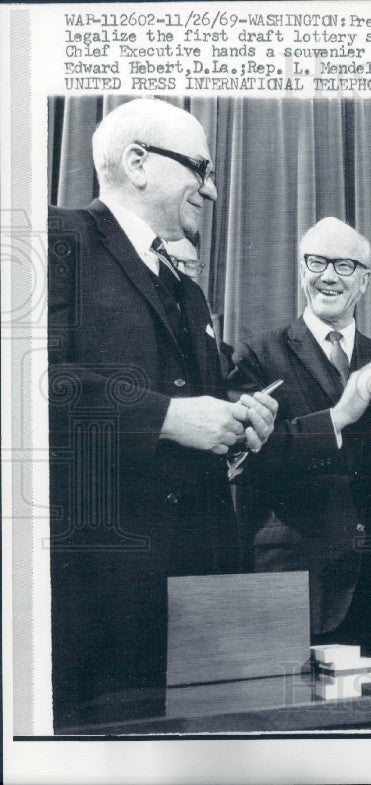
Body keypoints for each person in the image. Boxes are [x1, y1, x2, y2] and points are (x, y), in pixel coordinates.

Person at [47, 98, 278, 726]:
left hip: (194, 600)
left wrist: (234, 421)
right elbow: (27, 382)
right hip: (94, 600)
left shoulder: (188, 287)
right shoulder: (56, 237)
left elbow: (188, 400)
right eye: (198, 168)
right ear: (138, 163)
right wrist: (169, 419)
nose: (209, 188)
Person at [229, 217, 371, 657]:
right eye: (316, 262)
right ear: (301, 271)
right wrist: (339, 416)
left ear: (365, 281)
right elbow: (248, 460)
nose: (328, 275)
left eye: (344, 265)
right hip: (292, 584)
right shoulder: (257, 355)